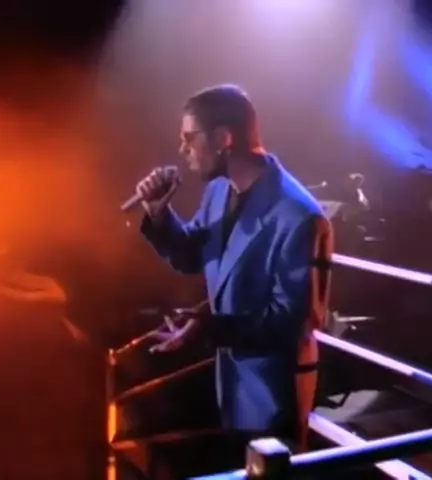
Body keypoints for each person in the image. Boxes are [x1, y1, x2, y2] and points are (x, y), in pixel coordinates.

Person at [136, 84, 333, 455]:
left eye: (189, 138)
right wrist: (158, 213)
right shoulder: (220, 191)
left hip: (273, 396)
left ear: (223, 138)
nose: (182, 150)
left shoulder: (299, 216)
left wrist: (208, 327)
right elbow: (191, 255)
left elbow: (292, 323)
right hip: (232, 388)